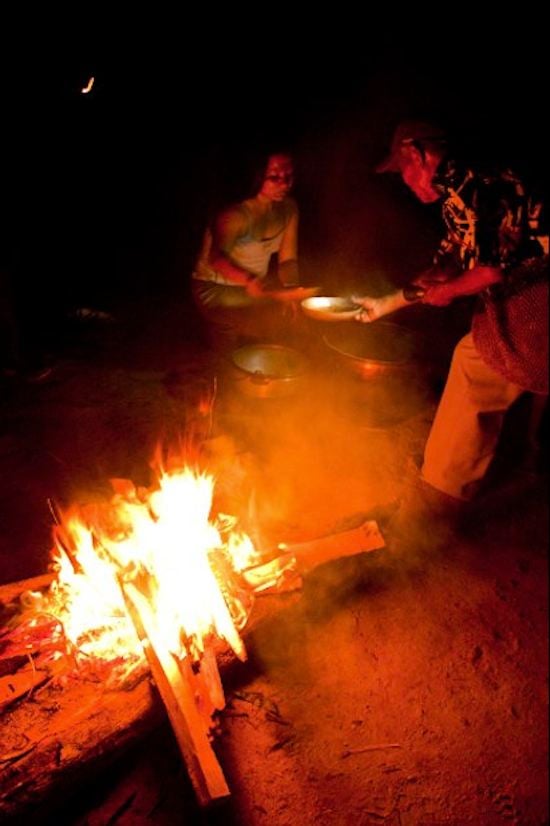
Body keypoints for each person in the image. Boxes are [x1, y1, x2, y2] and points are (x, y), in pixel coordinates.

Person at [355, 119, 548, 536]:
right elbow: (455, 254)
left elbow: (491, 269)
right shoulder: (457, 188)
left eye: (402, 170)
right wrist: (390, 301)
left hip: (540, 295)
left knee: (476, 362)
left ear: (417, 153)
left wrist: (453, 290)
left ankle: (437, 502)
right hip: (531, 295)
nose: (405, 183)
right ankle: (524, 460)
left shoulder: (476, 178)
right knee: (491, 362)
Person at [192, 150, 304, 349]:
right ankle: (228, 373)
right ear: (258, 175)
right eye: (274, 177)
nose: (284, 184)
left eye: (289, 176)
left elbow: (287, 258)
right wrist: (249, 280)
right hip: (216, 287)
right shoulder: (236, 213)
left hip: (252, 287)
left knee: (282, 325)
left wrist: (290, 291)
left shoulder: (288, 209)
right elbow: (216, 259)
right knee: (249, 330)